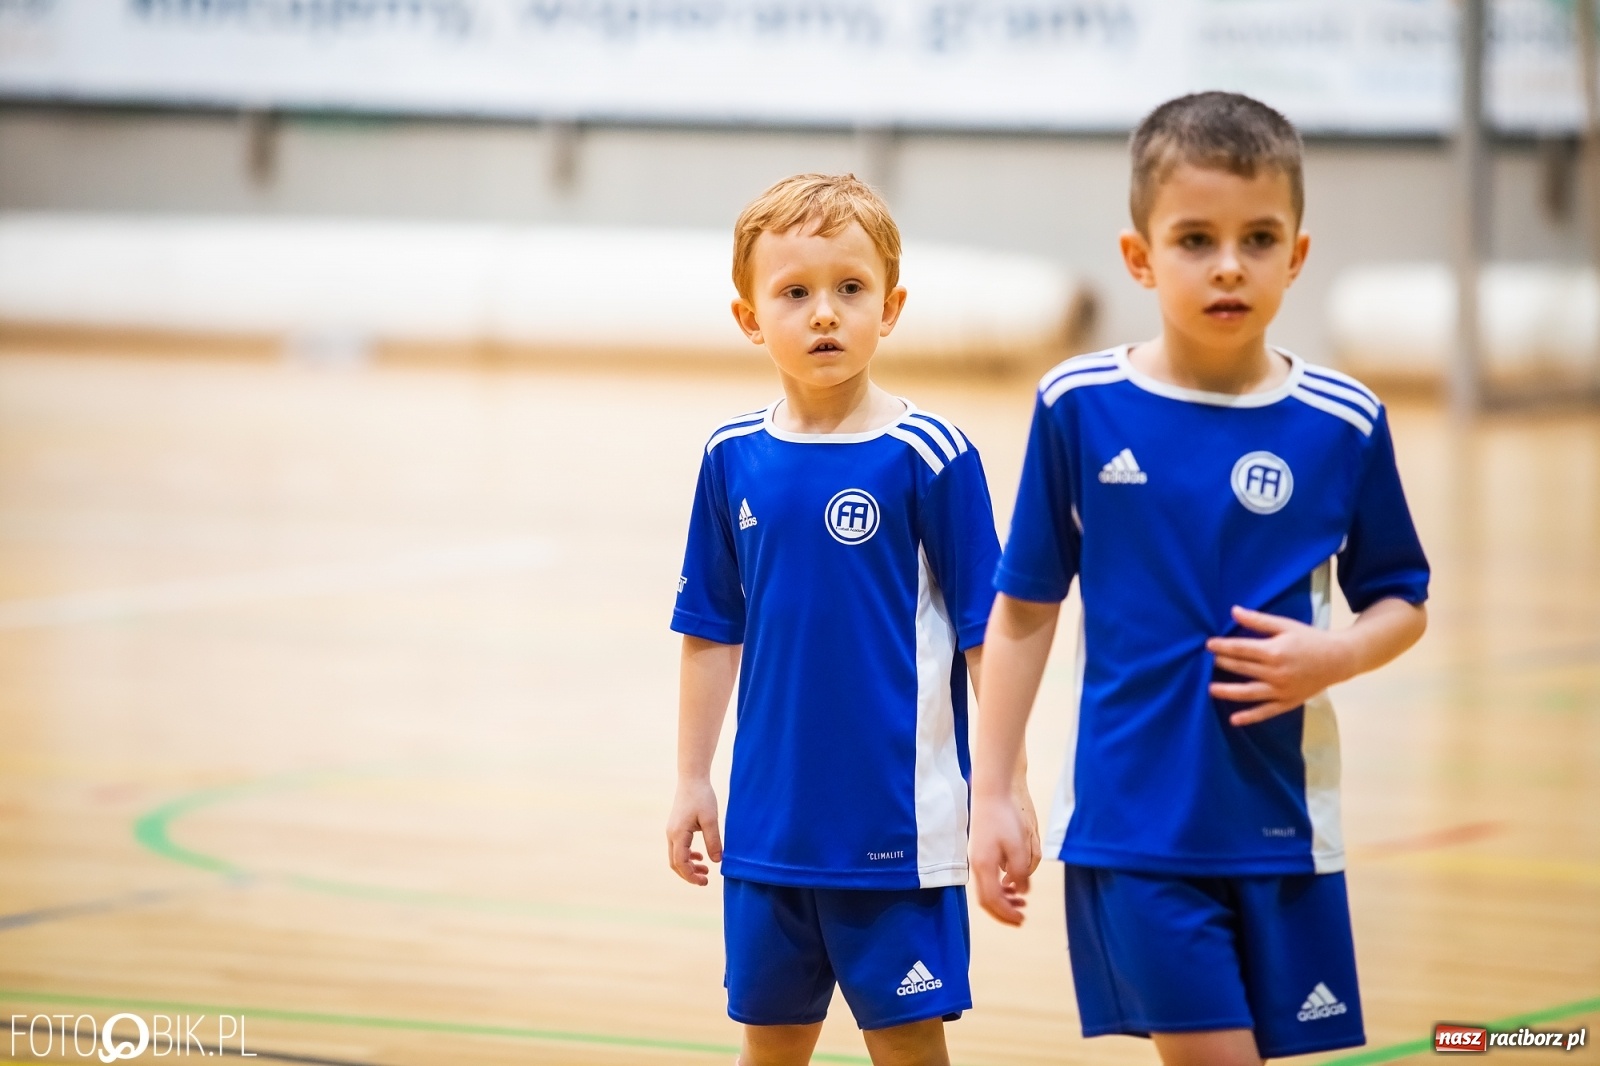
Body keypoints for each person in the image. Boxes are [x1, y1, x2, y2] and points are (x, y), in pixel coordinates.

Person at [969, 92, 1431, 1066]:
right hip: (1136, 833)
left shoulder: (1342, 422)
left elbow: (1403, 600)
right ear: (1139, 257)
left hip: (1285, 831)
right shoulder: (1078, 407)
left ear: (1297, 253)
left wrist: (1338, 652)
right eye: (1194, 239)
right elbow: (1021, 612)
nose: (1229, 264)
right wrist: (994, 791)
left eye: (1258, 237)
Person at [665, 173, 1035, 1066]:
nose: (823, 314)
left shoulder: (931, 457)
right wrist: (691, 779)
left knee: (908, 1050)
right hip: (767, 838)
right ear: (751, 317)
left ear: (891, 306)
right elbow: (711, 631)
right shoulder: (731, 459)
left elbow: (991, 639)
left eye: (849, 289)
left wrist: (1006, 790)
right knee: (771, 1049)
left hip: (897, 841)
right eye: (794, 293)